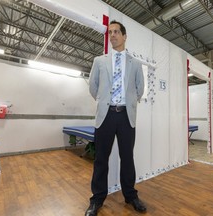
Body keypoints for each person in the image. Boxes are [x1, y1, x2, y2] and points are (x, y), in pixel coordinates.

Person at [85, 20, 146, 216]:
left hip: (126, 116)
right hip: (106, 116)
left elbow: (140, 89)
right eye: (110, 32)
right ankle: (97, 199)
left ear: (124, 36)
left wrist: (126, 103)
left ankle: (130, 195)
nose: (112, 35)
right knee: (101, 159)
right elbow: (93, 87)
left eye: (116, 32)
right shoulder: (99, 61)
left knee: (127, 158)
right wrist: (105, 102)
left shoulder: (135, 63)